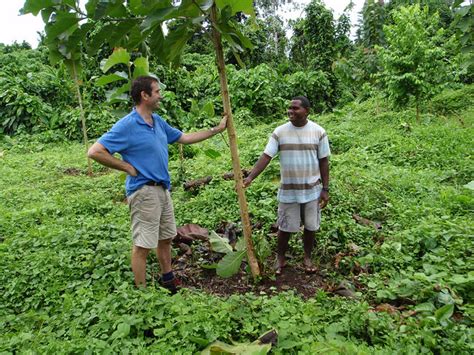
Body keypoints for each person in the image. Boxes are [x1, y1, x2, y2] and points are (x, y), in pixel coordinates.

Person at [88, 76, 227, 292]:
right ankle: (143, 294)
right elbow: (95, 151)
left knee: (166, 238)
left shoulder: (158, 121)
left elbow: (185, 138)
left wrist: (216, 130)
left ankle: (168, 279)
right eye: (157, 91)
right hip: (144, 191)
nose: (160, 95)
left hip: (162, 190)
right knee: (143, 245)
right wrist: (126, 167)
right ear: (145, 95)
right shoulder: (127, 125)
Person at [243, 96, 330, 275]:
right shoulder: (280, 132)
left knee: (311, 226)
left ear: (307, 111)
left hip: (312, 190)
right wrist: (251, 177)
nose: (291, 111)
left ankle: (307, 258)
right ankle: (280, 258)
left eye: (296, 108)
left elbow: (324, 161)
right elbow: (267, 156)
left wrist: (325, 189)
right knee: (285, 227)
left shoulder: (318, 132)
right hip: (289, 190)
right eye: (290, 108)